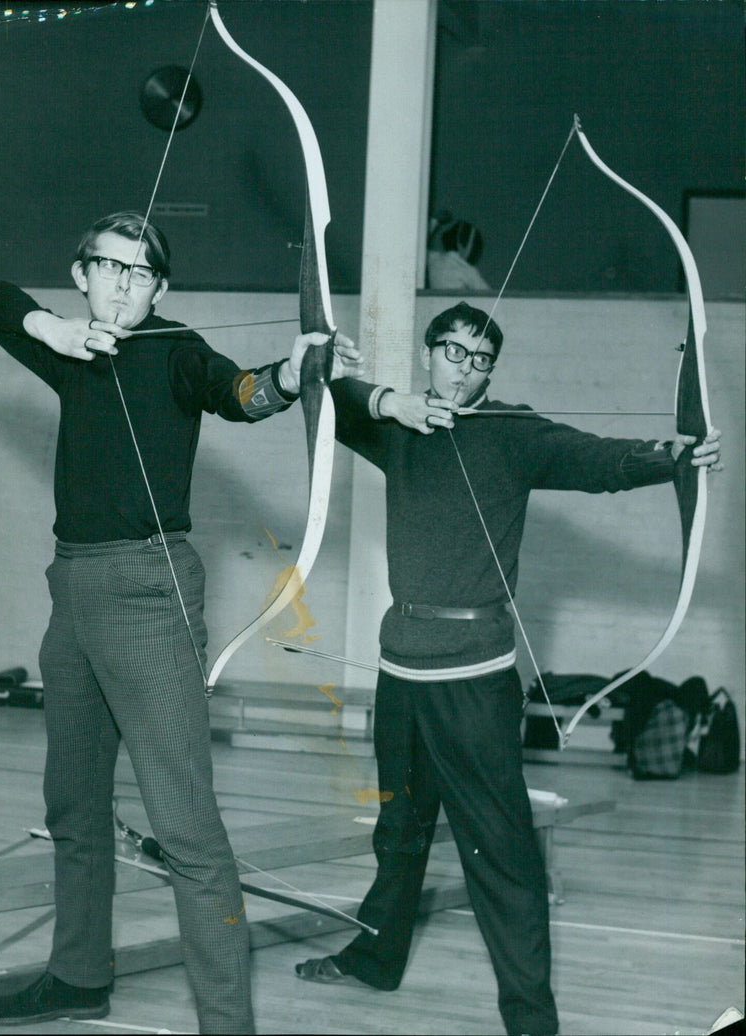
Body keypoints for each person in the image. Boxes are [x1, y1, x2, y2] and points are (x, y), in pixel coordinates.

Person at [0, 210, 364, 1035]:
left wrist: (290, 377)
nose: (122, 283)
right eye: (108, 266)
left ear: (161, 288)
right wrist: (55, 330)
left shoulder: (174, 348)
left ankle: (227, 1024)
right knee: (72, 803)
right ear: (81, 274)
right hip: (70, 590)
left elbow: (240, 393)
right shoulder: (71, 345)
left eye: (141, 271)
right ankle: (79, 975)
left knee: (186, 826)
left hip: (148, 593)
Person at [294, 300, 722, 1036]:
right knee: (399, 830)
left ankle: (530, 1018)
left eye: (481, 359)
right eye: (454, 353)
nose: (466, 370)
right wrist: (372, 390)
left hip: (476, 681)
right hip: (402, 672)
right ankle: (375, 960)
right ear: (429, 353)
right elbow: (321, 393)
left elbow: (597, 461)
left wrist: (673, 457)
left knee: (503, 851)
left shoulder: (513, 434)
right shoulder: (396, 430)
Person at [426, 210, 491, 291]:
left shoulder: (433, 258)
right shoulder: (467, 269)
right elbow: (488, 295)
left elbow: (419, 244)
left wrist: (435, 221)